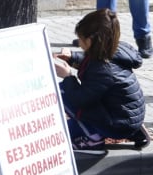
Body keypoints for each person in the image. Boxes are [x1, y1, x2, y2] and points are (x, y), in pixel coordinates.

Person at [53, 9, 148, 155]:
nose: (79, 43)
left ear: (90, 41)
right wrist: (72, 57)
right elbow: (89, 60)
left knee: (62, 91)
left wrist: (67, 77)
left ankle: (93, 139)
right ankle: (135, 131)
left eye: (80, 39)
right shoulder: (114, 50)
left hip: (118, 125)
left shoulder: (102, 68)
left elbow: (81, 99)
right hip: (128, 117)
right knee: (70, 122)